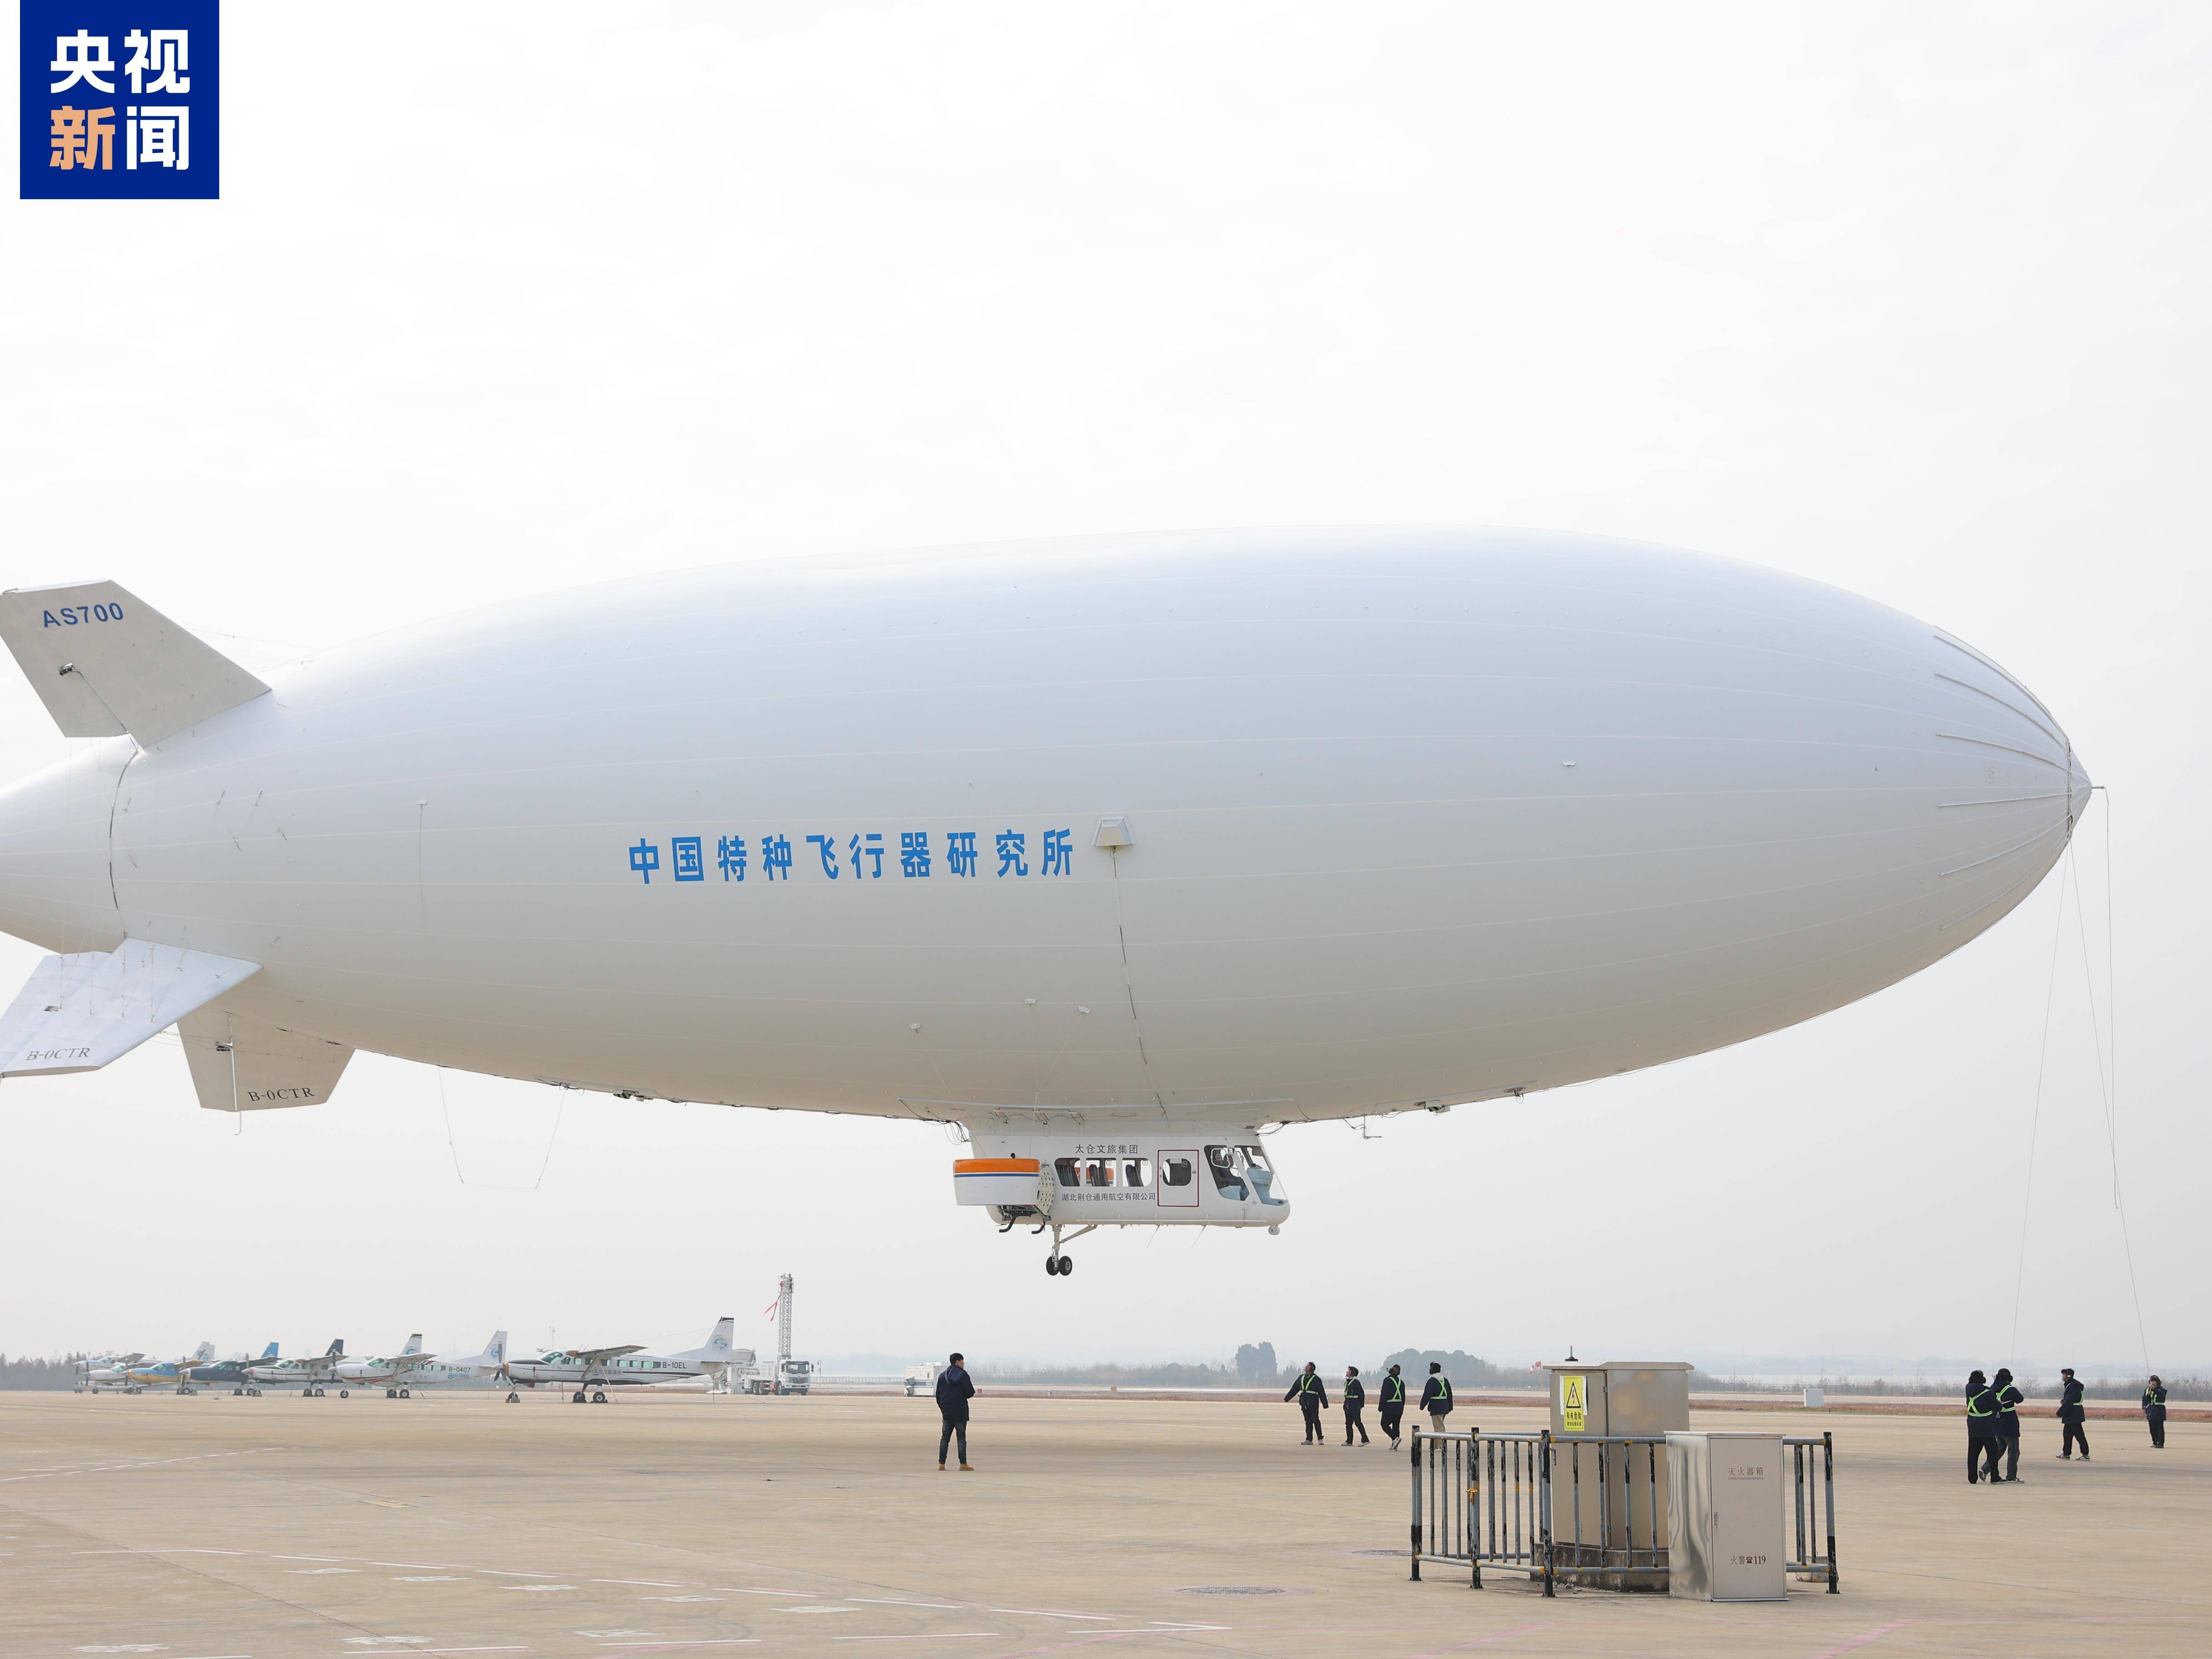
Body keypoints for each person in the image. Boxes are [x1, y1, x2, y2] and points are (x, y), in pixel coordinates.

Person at [935, 1351, 975, 1472]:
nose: (964, 1364)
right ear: (958, 1362)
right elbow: (970, 1393)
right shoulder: (963, 1376)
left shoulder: (943, 1376)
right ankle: (963, 1464)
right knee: (961, 1439)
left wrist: (943, 1409)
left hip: (947, 1412)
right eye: (963, 1362)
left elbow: (938, 1396)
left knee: (945, 1439)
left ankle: (941, 1464)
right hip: (960, 1411)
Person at [1965, 1368, 2000, 1483]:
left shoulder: (1968, 1390)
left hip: (1972, 1424)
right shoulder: (1988, 1393)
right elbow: (1997, 1407)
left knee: (1973, 1454)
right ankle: (1995, 1477)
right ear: (1983, 1380)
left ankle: (1972, 1478)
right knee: (1993, 1453)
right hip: (1986, 1426)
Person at [1991, 1367, 2024, 1483]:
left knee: (1999, 1449)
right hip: (2009, 1423)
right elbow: (2020, 1399)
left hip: (1997, 1422)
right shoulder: (2010, 1390)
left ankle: (1985, 1469)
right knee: (2013, 1451)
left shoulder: (1992, 1389)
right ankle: (2011, 1476)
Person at [1284, 1361, 1328, 1444]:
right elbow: (1294, 1389)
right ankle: (1309, 1439)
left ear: (1312, 1369)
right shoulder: (1301, 1378)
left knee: (1315, 1420)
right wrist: (1288, 1398)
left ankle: (1320, 1439)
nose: (1306, 1367)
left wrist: (1325, 1404)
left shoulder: (1316, 1379)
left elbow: (1321, 1392)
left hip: (1313, 1403)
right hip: (1304, 1403)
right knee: (1308, 1421)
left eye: (1308, 1366)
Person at [2057, 1367, 2089, 1461]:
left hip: (2074, 1414)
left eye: (2063, 1375)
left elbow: (2070, 1401)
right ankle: (2066, 1453)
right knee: (2067, 1435)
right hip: (2071, 1414)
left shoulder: (2073, 1387)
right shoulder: (2071, 1385)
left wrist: (2060, 1412)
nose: (2062, 1377)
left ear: (2068, 1376)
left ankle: (2085, 1454)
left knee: (2079, 1435)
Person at [1379, 1363, 1407, 1449]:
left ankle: (1395, 1438)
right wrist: (1402, 1408)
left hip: (1390, 1406)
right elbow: (1403, 1397)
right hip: (1399, 1406)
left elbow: (1384, 1395)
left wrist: (1381, 1407)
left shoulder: (1387, 1381)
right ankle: (1395, 1444)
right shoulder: (1401, 1382)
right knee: (1396, 1426)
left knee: (1384, 1424)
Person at [1420, 1361, 1453, 1432]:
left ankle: (1441, 1439)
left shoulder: (1432, 1381)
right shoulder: (1445, 1380)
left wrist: (1422, 1406)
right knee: (1439, 1425)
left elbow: (1427, 1394)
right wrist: (1450, 1407)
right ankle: (1438, 1439)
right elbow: (1450, 1394)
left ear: (1432, 1370)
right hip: (1445, 1406)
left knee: (1439, 1429)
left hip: (1436, 1407)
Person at [1342, 1366, 1368, 1446]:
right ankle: (1349, 1441)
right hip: (1348, 1405)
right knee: (1348, 1424)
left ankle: (1365, 1439)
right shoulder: (1347, 1382)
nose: (1347, 1372)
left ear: (1352, 1373)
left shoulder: (1356, 1382)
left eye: (1349, 1371)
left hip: (1354, 1405)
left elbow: (1361, 1394)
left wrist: (1361, 1405)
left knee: (1358, 1423)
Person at [2143, 1375, 2168, 1449]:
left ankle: (2161, 1443)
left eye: (2154, 1381)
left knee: (2159, 1427)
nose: (2153, 1383)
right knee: (2152, 1427)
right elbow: (2146, 1400)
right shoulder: (2148, 1390)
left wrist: (2155, 1390)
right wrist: (2145, 1406)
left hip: (2159, 1410)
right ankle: (2155, 1441)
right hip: (2151, 1410)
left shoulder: (2162, 1390)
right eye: (2152, 1381)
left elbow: (2161, 1396)